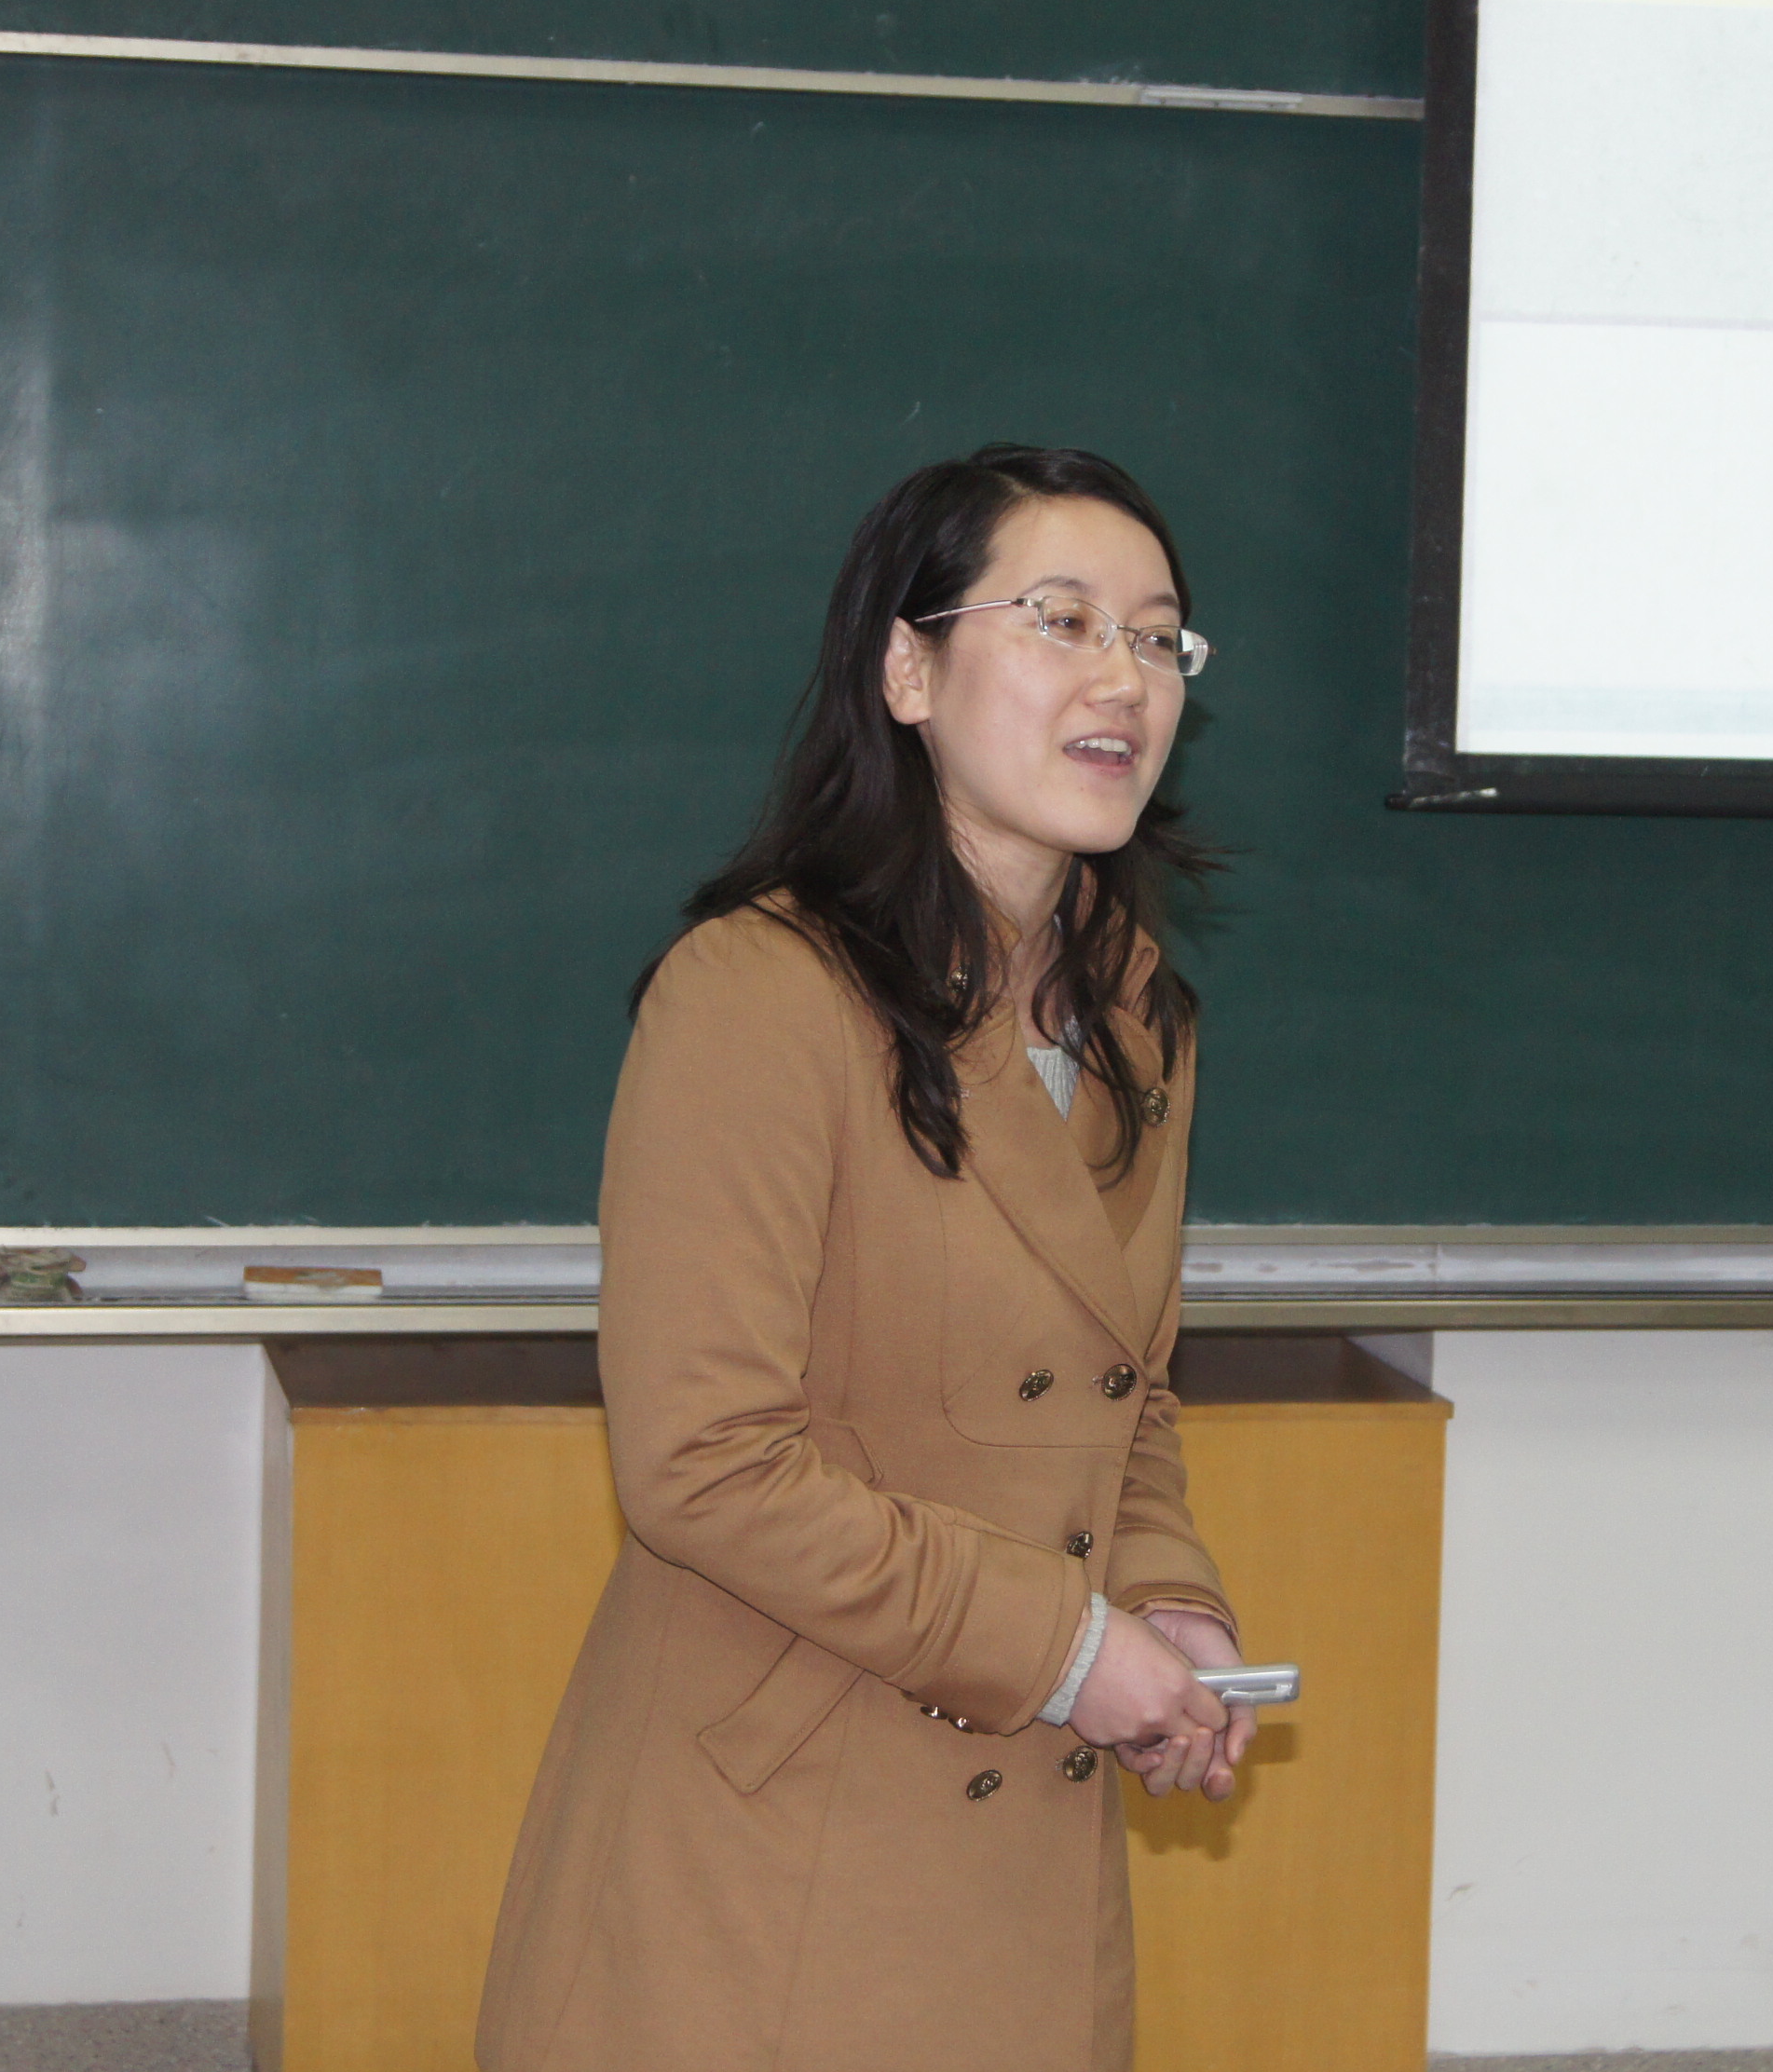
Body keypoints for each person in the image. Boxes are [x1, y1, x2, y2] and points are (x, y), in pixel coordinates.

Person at [474, 444, 1250, 2072]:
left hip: (1028, 1853)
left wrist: (1168, 1601)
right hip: (776, 1849)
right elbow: (704, 1463)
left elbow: (1130, 1400)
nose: (1123, 678)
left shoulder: (1136, 1014)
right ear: (908, 671)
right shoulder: (759, 994)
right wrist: (1065, 1649)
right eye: (1061, 620)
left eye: (1157, 636)